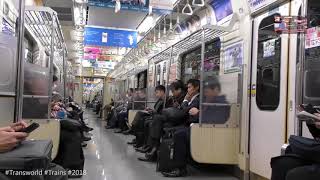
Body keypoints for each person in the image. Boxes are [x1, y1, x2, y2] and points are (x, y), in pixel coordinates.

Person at [139, 79, 199, 162]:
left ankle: (153, 149)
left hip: (180, 121)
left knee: (157, 120)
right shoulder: (179, 98)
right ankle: (153, 148)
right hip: (176, 118)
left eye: (189, 87)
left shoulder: (189, 98)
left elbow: (183, 111)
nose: (188, 89)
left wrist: (183, 102)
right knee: (155, 121)